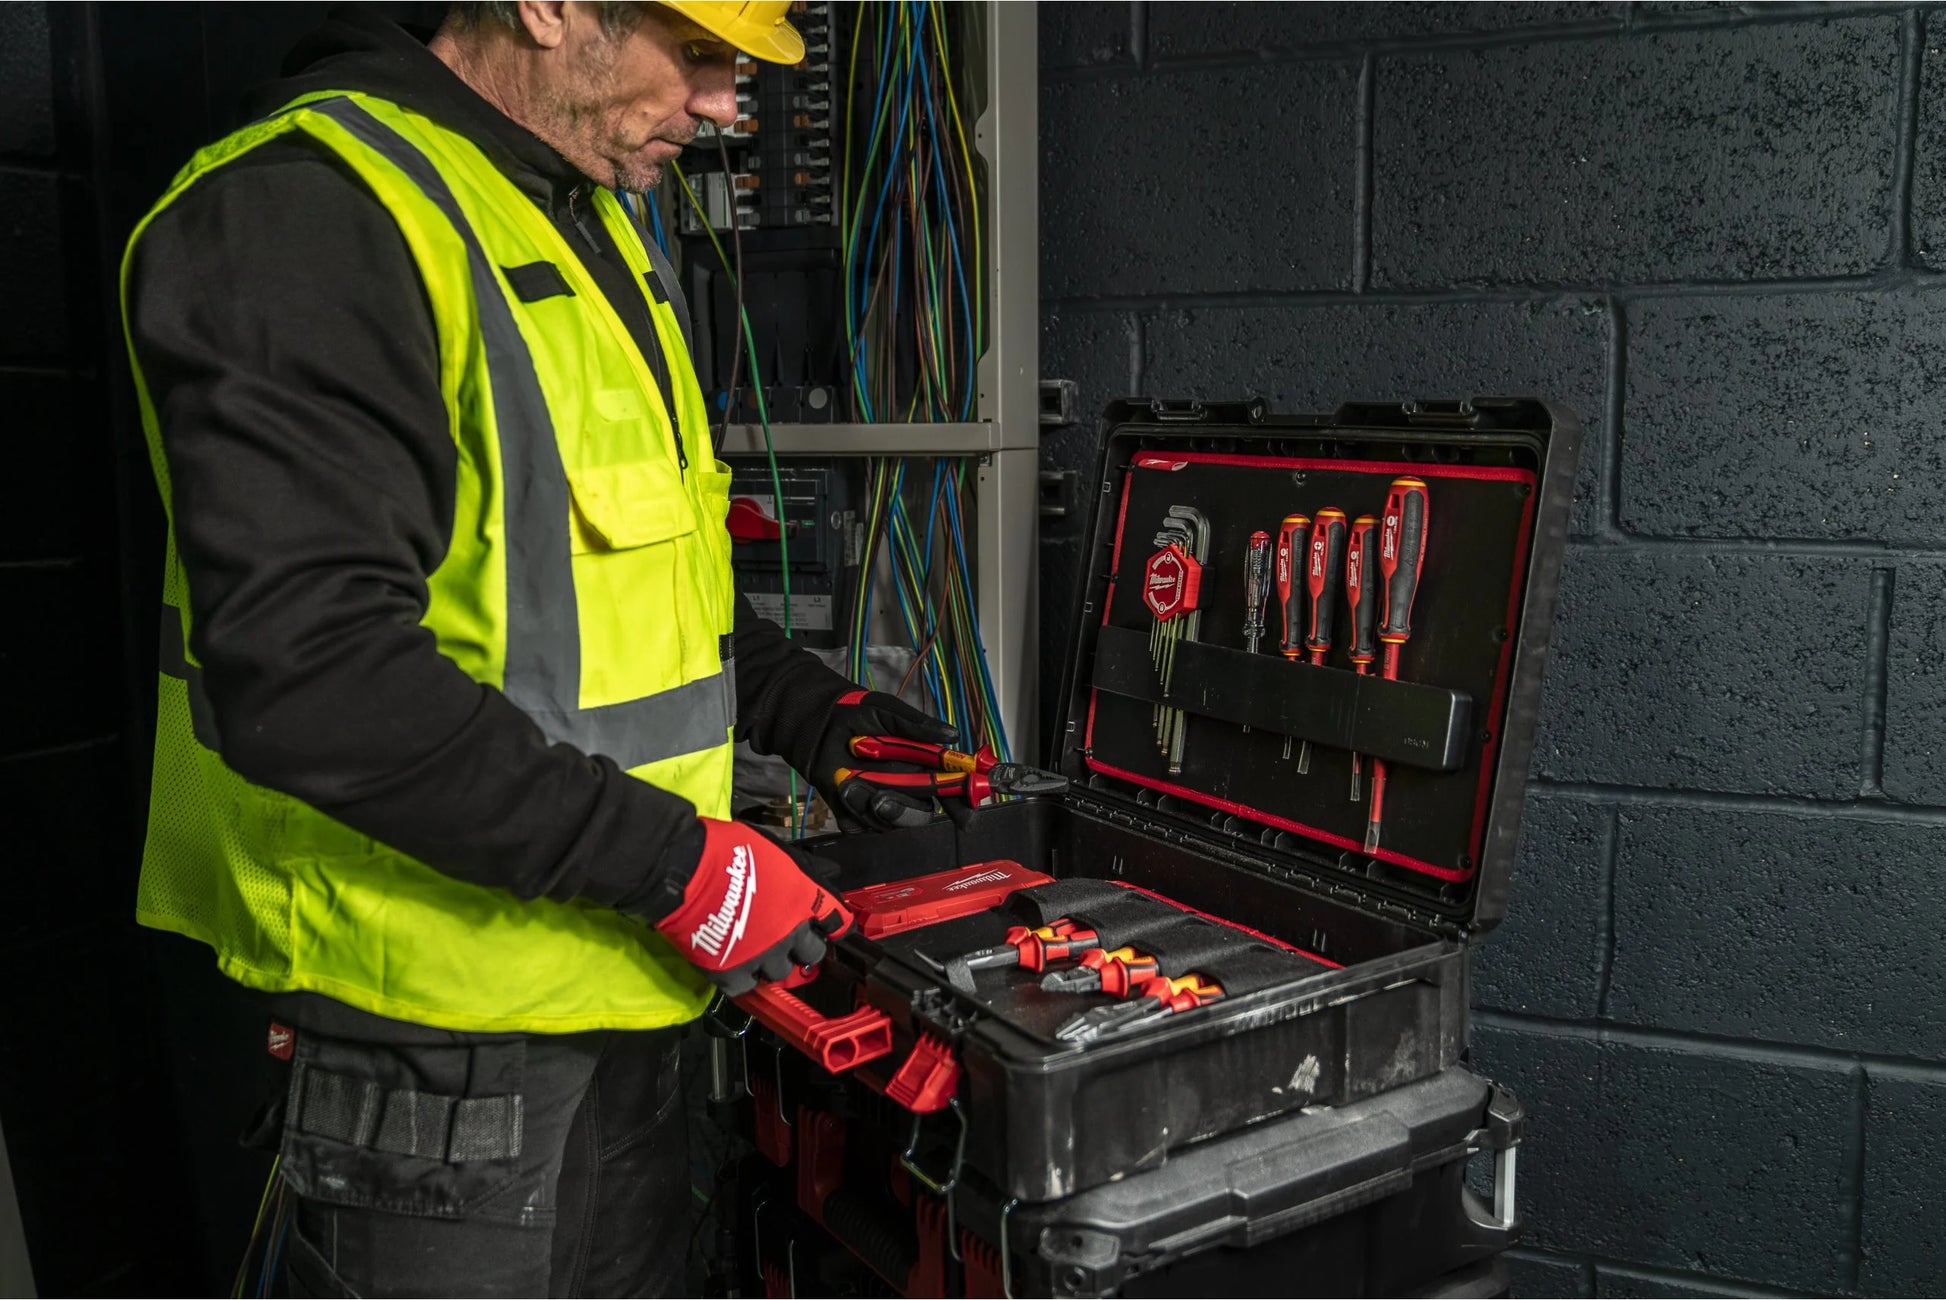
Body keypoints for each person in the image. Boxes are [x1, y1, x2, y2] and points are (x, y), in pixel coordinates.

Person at [121, 3, 953, 1294]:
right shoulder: (313, 211)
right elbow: (312, 676)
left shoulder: (585, 219)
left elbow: (628, 593)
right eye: (702, 53)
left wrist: (809, 713)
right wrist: (683, 869)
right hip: (433, 1046)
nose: (726, 104)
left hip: (628, 987)